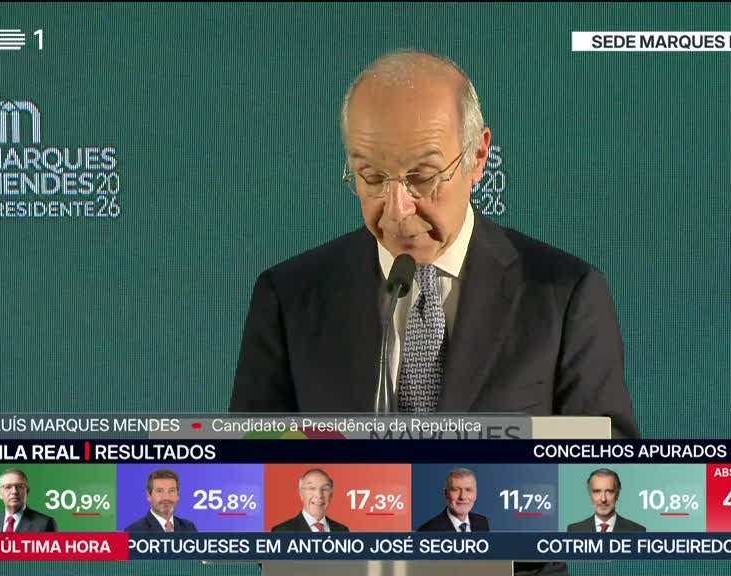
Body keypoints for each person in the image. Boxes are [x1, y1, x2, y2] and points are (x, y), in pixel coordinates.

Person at [229, 49, 637, 439]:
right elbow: (243, 469)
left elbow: (610, 468)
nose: (397, 210)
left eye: (422, 177)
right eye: (372, 177)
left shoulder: (565, 297)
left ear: (478, 156)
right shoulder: (289, 298)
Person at [566, 468, 645, 533]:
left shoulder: (637, 531)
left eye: (609, 491)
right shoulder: (574, 530)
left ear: (617, 494)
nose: (603, 499)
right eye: (597, 491)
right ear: (590, 493)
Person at [271, 468, 349, 532]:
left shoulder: (343, 531)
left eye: (325, 489)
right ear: (301, 493)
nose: (319, 495)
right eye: (311, 488)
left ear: (331, 495)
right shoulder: (281, 532)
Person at [0, 468, 58, 532]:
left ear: (27, 491)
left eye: (20, 486)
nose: (14, 491)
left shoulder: (44, 524)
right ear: (0, 494)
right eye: (8, 487)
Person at [124, 468, 198, 532]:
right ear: (149, 495)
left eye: (171, 491)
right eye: (159, 491)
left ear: (178, 495)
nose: (166, 497)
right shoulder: (131, 532)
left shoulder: (189, 528)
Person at [417, 468, 489, 532]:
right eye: (456, 490)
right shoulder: (428, 531)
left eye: (468, 490)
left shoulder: (482, 523)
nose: (463, 497)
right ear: (446, 494)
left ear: (476, 494)